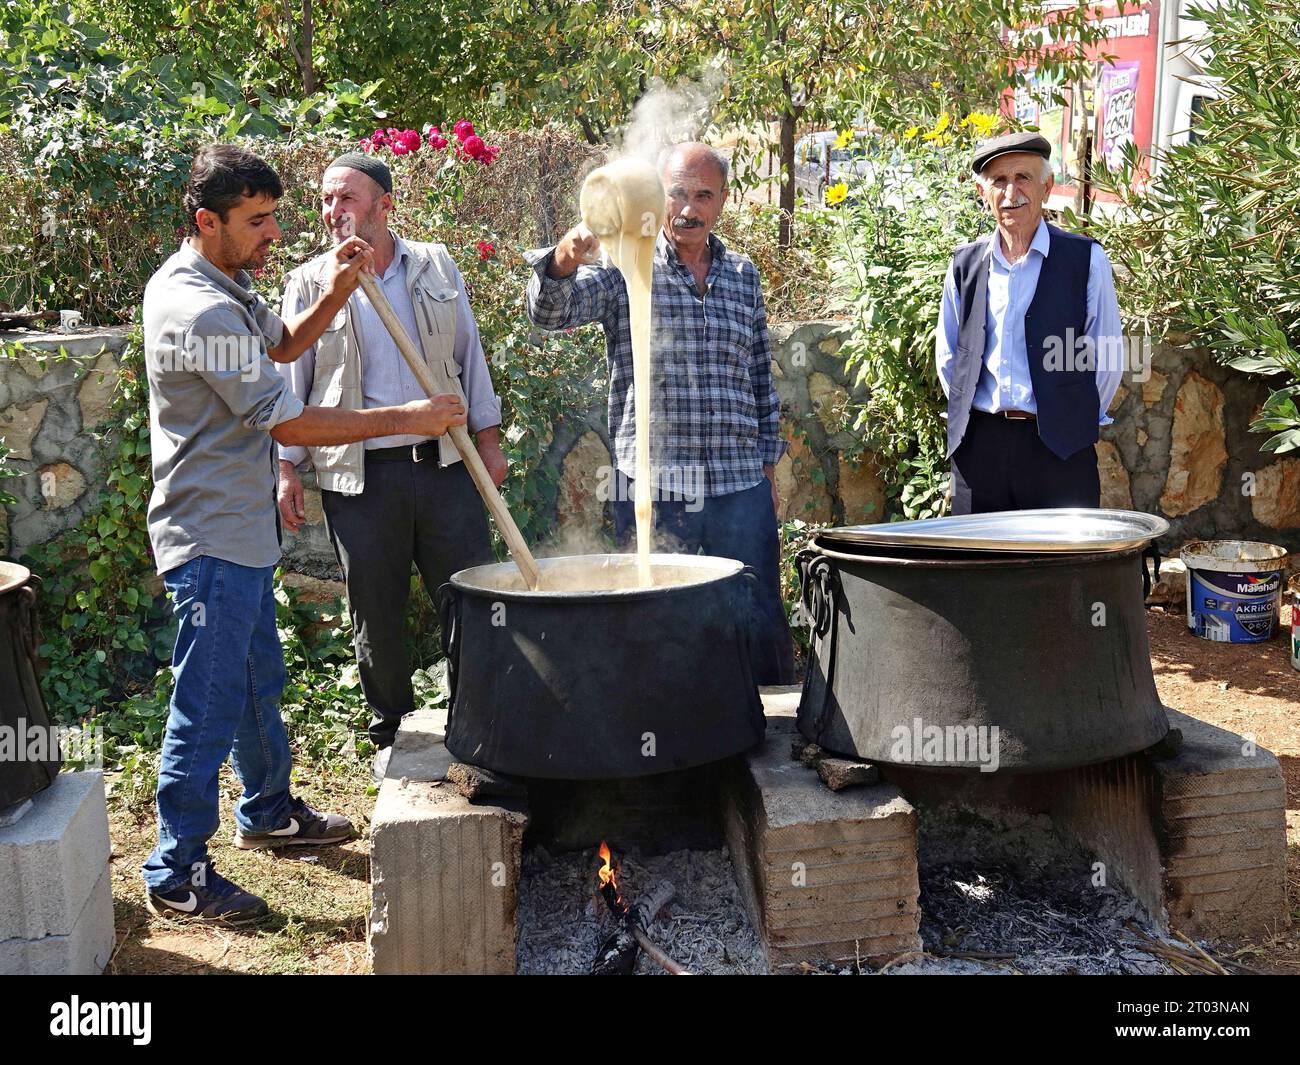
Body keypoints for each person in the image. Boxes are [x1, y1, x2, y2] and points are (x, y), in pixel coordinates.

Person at [141, 143, 465, 925]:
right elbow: (287, 415)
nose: (275, 233)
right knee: (208, 703)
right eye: (257, 220)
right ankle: (175, 870)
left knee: (257, 684)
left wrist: (340, 291)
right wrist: (409, 418)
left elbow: (285, 344)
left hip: (240, 534)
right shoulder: (196, 307)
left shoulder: (228, 280)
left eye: (276, 215)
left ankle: (267, 810)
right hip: (208, 538)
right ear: (205, 221)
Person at [525, 141, 793, 684]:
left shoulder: (742, 275)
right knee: (655, 614)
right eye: (677, 194)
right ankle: (656, 719)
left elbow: (760, 371)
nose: (689, 208)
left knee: (755, 610)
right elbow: (549, 313)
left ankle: (771, 725)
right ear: (657, 198)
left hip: (737, 480)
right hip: (654, 484)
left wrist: (767, 464)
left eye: (703, 195)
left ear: (721, 202)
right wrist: (565, 258)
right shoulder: (627, 264)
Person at [275, 153, 505, 781]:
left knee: (469, 597)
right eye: (326, 199)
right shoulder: (310, 285)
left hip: (442, 464)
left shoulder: (432, 266)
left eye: (346, 197)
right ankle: (391, 730)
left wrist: (487, 437)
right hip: (361, 474)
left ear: (384, 204)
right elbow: (288, 388)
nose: (333, 210)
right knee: (375, 610)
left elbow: (469, 355)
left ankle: (478, 724)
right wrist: (288, 469)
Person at [936, 131, 1125, 514]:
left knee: (1061, 570)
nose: (1011, 192)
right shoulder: (964, 264)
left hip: (1059, 451)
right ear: (982, 192)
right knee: (979, 563)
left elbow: (1106, 357)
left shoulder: (1086, 260)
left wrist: (1070, 419)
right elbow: (950, 355)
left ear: (1047, 186)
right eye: (999, 181)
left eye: (1023, 177)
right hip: (980, 451)